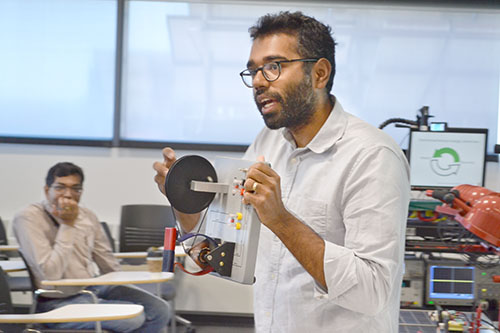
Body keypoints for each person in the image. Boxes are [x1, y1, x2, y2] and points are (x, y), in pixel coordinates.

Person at [153, 11, 410, 332]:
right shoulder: (268, 142)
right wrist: (183, 203)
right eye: (253, 70)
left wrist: (281, 219)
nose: (259, 81)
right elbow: (223, 251)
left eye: (273, 66)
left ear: (319, 73)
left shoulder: (372, 155)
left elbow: (374, 292)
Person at [13, 162, 170, 333]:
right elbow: (50, 275)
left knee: (159, 309)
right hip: (56, 300)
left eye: (75, 189)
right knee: (132, 318)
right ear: (46, 190)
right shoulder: (29, 218)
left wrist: (128, 285)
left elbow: (108, 263)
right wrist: (68, 225)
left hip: (91, 287)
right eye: (60, 187)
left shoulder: (86, 215)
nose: (68, 195)